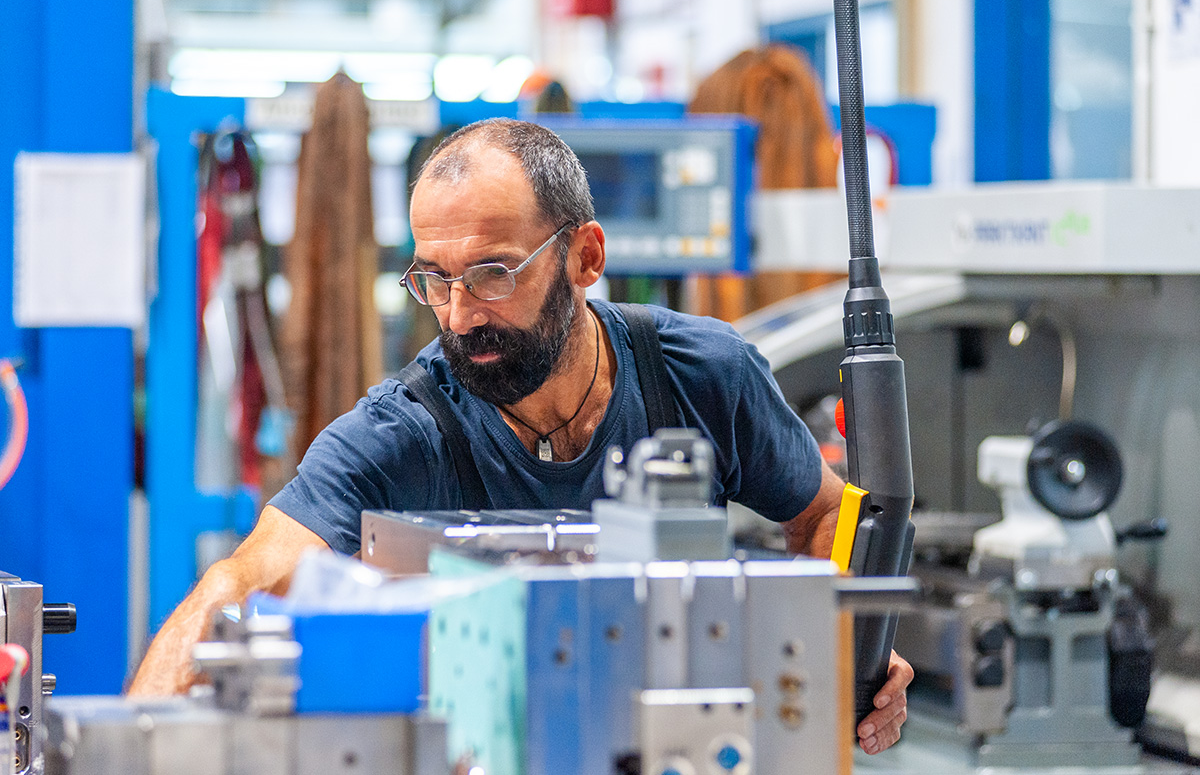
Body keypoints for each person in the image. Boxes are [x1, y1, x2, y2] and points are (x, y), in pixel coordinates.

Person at [128, 118, 912, 755]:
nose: (461, 314)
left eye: (494, 272)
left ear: (585, 257)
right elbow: (240, 584)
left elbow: (822, 517)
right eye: (434, 278)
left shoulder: (702, 376)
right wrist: (127, 745)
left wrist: (848, 655)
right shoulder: (399, 433)